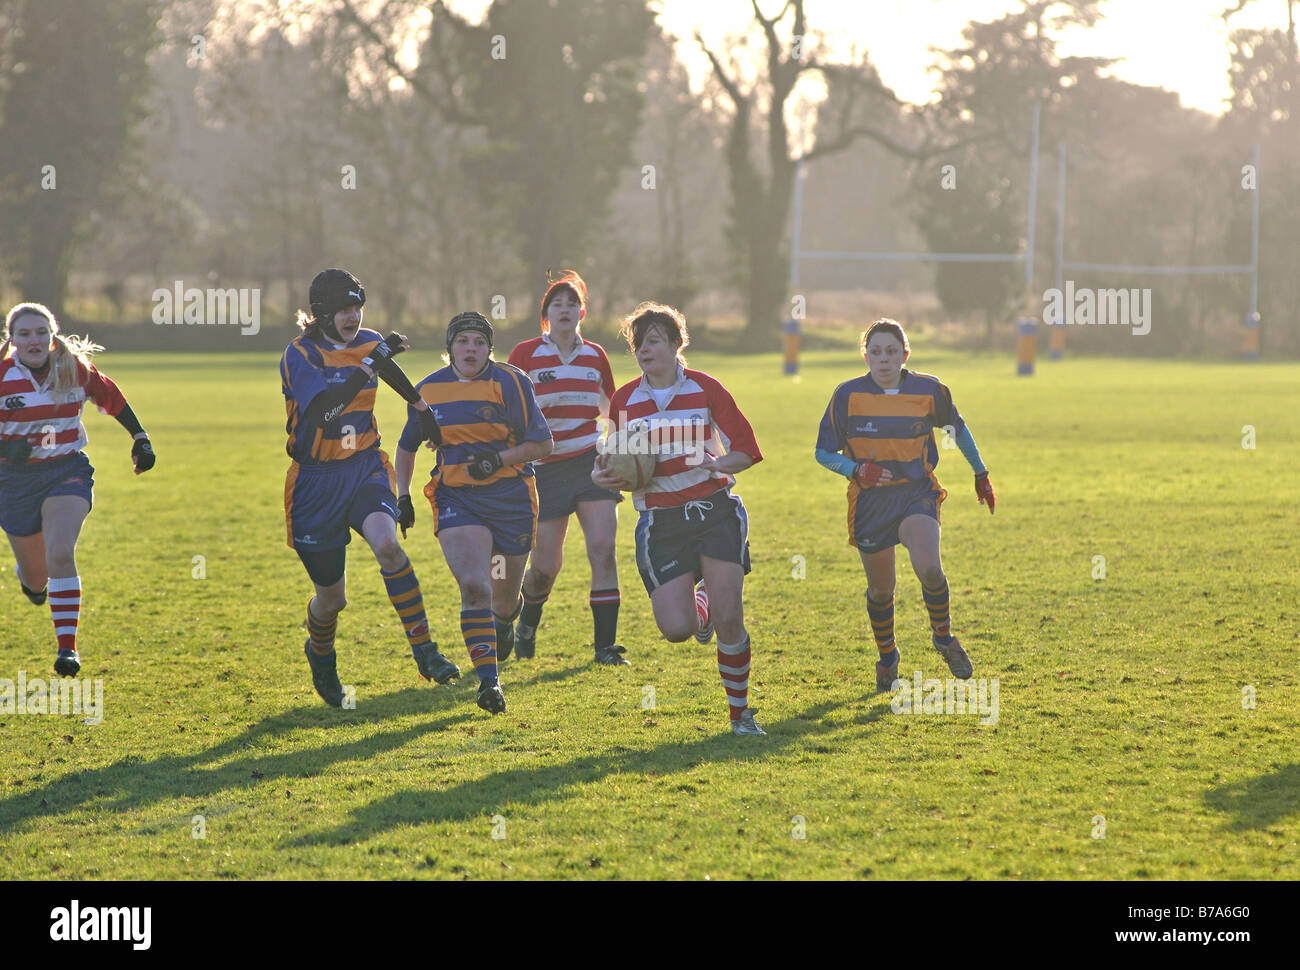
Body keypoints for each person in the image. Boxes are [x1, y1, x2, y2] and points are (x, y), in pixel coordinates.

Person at [280, 268, 459, 708]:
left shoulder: (368, 342)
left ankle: (426, 651)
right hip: (314, 483)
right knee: (332, 599)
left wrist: (421, 409)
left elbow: (389, 369)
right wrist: (369, 365)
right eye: (343, 309)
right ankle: (320, 652)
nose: (353, 316)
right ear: (322, 313)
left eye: (357, 307)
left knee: (388, 545)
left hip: (364, 466)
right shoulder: (301, 355)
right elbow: (325, 414)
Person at [591, 302, 766, 736]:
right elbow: (619, 464)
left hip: (714, 512)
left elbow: (747, 449)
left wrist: (718, 464)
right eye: (638, 344)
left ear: (675, 344)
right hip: (662, 523)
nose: (645, 350)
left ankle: (740, 715)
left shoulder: (705, 389)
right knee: (677, 629)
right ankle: (699, 604)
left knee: (732, 618)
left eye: (654, 341)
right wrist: (603, 475)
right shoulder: (624, 400)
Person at [814, 318, 995, 694]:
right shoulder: (847, 396)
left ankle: (943, 638)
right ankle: (888, 657)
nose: (884, 359)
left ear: (905, 354)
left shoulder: (928, 390)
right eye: (876, 352)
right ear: (865, 356)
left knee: (929, 567)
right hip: (870, 503)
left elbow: (957, 429)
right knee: (882, 591)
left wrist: (980, 472)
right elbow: (822, 452)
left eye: (892, 351)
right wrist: (855, 469)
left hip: (917, 492)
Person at [395, 311, 553, 715]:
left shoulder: (512, 382)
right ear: (450, 349)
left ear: (489, 350)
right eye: (463, 341)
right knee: (474, 585)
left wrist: (497, 460)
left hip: (511, 497)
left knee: (503, 599)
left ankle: (505, 622)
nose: (470, 349)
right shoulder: (428, 389)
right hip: (456, 497)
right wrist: (403, 495)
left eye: (479, 342)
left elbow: (542, 444)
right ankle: (489, 683)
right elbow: (408, 444)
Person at [0, 302, 156, 678]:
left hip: (66, 471)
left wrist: (140, 438)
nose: (33, 340)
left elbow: (111, 397)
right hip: (14, 482)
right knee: (37, 576)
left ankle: (67, 648)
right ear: (12, 340)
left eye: (41, 332)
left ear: (52, 337)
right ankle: (31, 581)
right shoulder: (3, 375)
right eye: (24, 333)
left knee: (61, 553)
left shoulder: (72, 369)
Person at [507, 271, 626, 665]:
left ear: (582, 312)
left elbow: (613, 409)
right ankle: (526, 625)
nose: (565, 309)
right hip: (542, 470)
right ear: (546, 315)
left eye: (571, 303)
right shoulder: (525, 355)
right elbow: (508, 408)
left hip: (589, 463)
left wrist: (618, 449)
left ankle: (604, 648)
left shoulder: (595, 355)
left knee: (603, 549)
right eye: (556, 304)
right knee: (544, 568)